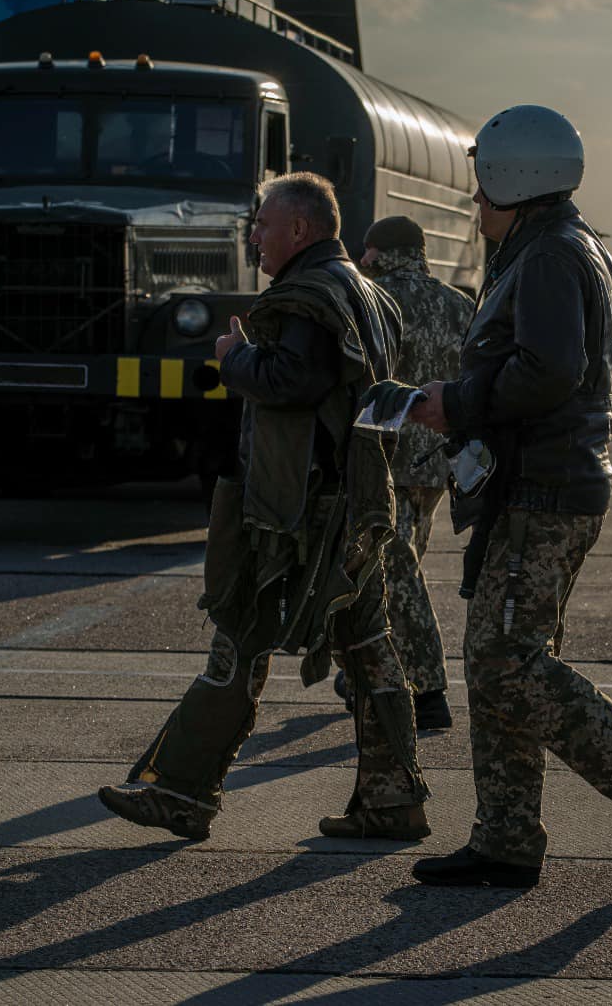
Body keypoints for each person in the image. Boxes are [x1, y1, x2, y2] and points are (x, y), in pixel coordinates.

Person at [406, 105, 612, 889]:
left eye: (482, 187)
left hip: (543, 490)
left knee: (506, 662)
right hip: (545, 483)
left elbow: (549, 371)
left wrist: (456, 403)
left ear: (515, 179)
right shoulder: (577, 247)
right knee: (496, 660)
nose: (475, 202)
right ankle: (506, 838)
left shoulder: (545, 257)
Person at [98, 172, 430, 842]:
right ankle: (393, 800)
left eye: (263, 226)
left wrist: (235, 358)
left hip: (297, 513)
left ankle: (181, 791)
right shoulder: (368, 294)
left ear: (300, 229)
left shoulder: (308, 297)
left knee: (241, 628)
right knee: (368, 647)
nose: (254, 238)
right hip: (357, 502)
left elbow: (292, 381)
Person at [336, 215, 475, 732]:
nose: (362, 259)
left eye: (367, 250)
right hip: (437, 462)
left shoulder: (374, 300)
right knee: (397, 566)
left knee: (394, 573)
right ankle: (367, 674)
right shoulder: (460, 304)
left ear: (379, 252)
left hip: (384, 458)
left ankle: (428, 689)